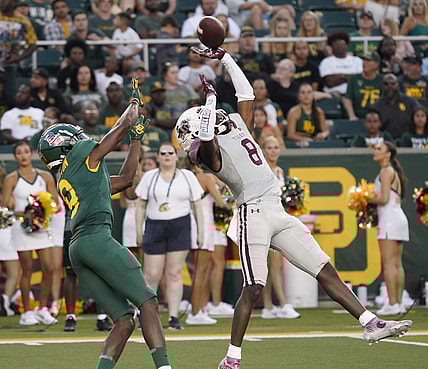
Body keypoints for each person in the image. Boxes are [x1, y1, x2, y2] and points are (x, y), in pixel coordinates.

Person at [176, 47, 412, 368]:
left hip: (276, 209)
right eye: (210, 118)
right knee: (254, 286)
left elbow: (246, 92)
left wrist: (226, 58)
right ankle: (232, 359)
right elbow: (207, 142)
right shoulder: (205, 152)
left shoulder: (237, 126)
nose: (218, 117)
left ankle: (370, 322)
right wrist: (209, 104)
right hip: (252, 214)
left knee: (323, 268)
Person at [38, 78, 172, 369]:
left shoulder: (72, 174)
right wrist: (134, 102)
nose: (81, 137)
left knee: (123, 321)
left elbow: (124, 181)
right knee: (147, 300)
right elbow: (121, 125)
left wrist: (136, 140)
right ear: (66, 146)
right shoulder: (79, 157)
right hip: (96, 238)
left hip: (78, 248)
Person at [135, 142, 204, 330]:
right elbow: (140, 204)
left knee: (174, 273)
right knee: (151, 274)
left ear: (176, 156)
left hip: (180, 225)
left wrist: (201, 232)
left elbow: (197, 205)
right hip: (155, 225)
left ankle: (173, 316)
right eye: (163, 153)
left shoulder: (188, 176)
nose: (166, 156)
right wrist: (138, 231)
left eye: (170, 153)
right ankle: (146, 315)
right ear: (158, 157)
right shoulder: (149, 177)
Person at [2, 141, 58, 326]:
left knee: (49, 270)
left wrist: (42, 211)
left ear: (31, 154)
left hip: (42, 228)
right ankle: (27, 311)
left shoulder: (45, 176)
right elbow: (4, 207)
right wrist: (26, 213)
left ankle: (43, 309)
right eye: (19, 153)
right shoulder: (11, 178)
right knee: (26, 271)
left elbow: (56, 203)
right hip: (22, 229)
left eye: (26, 152)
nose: (23, 155)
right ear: (15, 156)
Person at [182, 156, 231, 325]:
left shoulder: (185, 177)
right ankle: (195, 313)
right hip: (204, 227)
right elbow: (221, 203)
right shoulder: (206, 178)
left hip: (191, 225)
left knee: (199, 271)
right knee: (201, 272)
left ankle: (199, 309)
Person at [260, 136, 299, 320]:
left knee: (271, 264)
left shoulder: (280, 171)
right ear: (263, 150)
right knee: (274, 263)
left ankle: (268, 307)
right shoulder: (262, 169)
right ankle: (283, 304)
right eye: (269, 147)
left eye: (276, 147)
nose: (273, 151)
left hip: (279, 218)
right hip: (265, 220)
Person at [369, 142, 409, 315]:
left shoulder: (386, 171)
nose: (375, 151)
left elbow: (384, 199)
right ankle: (397, 303)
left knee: (389, 265)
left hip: (389, 220)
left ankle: (393, 304)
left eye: (379, 149)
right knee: (396, 264)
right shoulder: (390, 170)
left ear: (387, 154)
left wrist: (364, 199)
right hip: (397, 217)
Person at [0, 0, 38, 94]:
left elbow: (33, 44)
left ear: (14, 3)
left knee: (10, 93)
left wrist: (18, 58)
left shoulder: (23, 20)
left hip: (9, 62)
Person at [371, 73, 419, 140]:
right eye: (386, 84)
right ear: (382, 86)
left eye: (393, 83)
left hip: (408, 140)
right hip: (386, 142)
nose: (390, 86)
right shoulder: (376, 106)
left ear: (398, 85)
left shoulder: (410, 102)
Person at [319, 31, 363, 97]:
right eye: (336, 43)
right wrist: (348, 77)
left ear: (346, 45)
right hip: (334, 95)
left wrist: (339, 77)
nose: (339, 46)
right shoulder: (326, 62)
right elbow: (329, 83)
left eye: (341, 43)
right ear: (331, 46)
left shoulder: (357, 60)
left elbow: (360, 80)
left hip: (356, 94)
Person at [0, 165, 19, 317]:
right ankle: (5, 302)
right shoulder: (9, 187)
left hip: (5, 231)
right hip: (6, 232)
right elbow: (7, 209)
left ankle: (4, 302)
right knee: (14, 272)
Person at [344, 51, 383, 121]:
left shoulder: (382, 80)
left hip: (378, 119)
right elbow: (348, 99)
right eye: (364, 60)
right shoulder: (354, 79)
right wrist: (352, 116)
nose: (364, 63)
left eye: (368, 60)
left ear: (376, 64)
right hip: (358, 117)